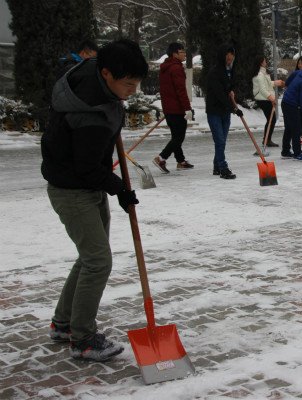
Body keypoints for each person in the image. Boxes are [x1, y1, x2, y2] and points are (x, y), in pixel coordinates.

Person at [41, 39, 148, 361]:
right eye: (127, 84)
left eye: (136, 84)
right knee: (98, 261)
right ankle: (83, 339)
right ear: (106, 74)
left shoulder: (97, 81)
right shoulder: (89, 112)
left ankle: (63, 324)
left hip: (85, 185)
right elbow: (86, 168)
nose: (132, 91)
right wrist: (120, 189)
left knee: (89, 258)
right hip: (73, 190)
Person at [153, 42, 194, 173]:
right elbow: (180, 90)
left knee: (176, 136)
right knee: (179, 137)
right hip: (177, 109)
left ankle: (180, 161)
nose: (184, 54)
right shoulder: (176, 68)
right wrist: (187, 108)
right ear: (174, 54)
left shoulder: (165, 67)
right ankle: (161, 158)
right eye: (182, 52)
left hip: (168, 108)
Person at [205, 45, 242, 179]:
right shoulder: (215, 72)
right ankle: (223, 168)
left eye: (232, 55)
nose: (230, 57)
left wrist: (231, 91)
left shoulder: (230, 71)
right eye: (227, 54)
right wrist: (234, 109)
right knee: (220, 141)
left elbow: (229, 87)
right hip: (214, 111)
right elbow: (219, 93)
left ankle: (217, 166)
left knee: (222, 142)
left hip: (225, 111)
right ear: (222, 55)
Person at [252, 55, 284, 147]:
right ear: (261, 63)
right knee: (271, 119)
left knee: (271, 119)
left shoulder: (263, 73)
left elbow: (268, 84)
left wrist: (277, 82)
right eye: (265, 61)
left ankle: (267, 139)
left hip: (264, 99)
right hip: (263, 99)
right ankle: (267, 140)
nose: (266, 62)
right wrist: (272, 98)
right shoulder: (260, 74)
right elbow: (262, 89)